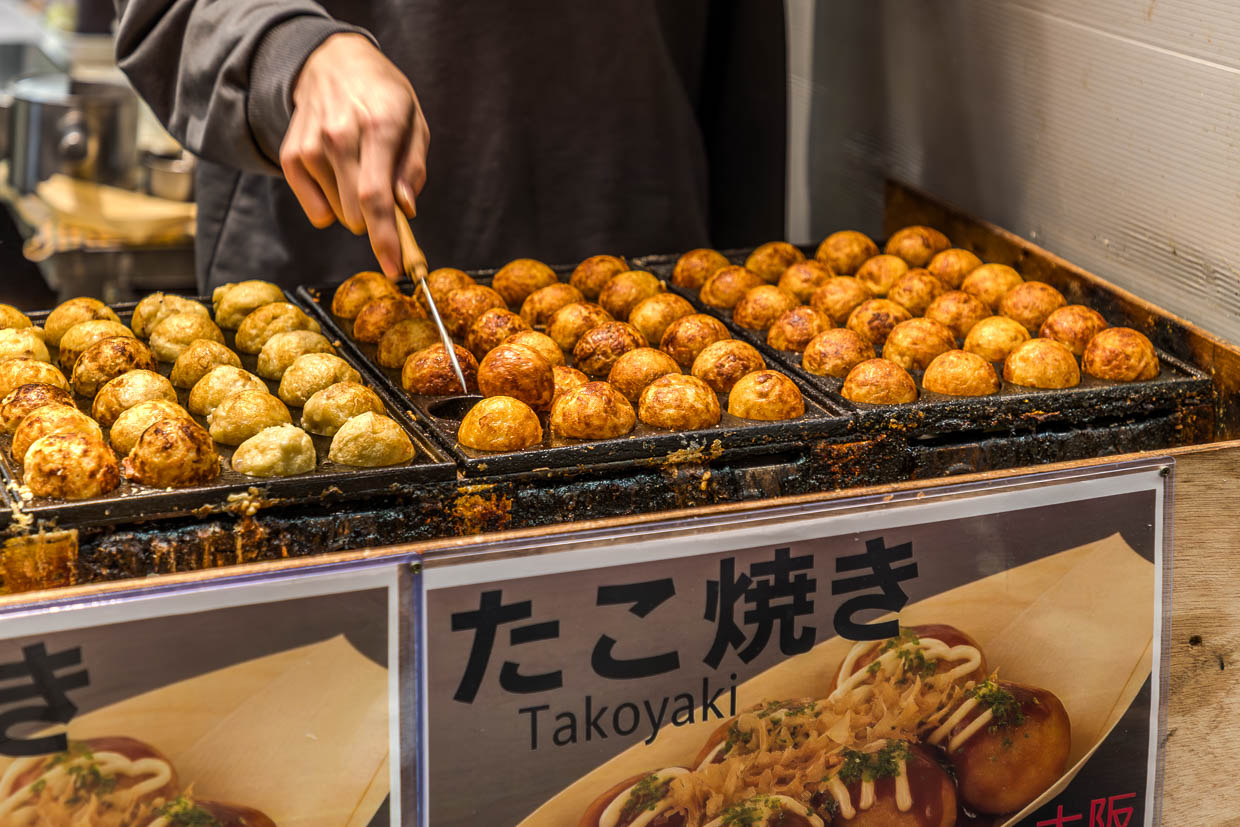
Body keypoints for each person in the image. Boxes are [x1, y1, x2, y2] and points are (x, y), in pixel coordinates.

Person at [113, 1, 787, 292]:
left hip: (650, 272)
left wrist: (749, 275)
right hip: (334, 286)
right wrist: (291, 49)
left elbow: (744, 56)